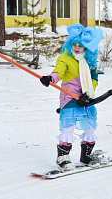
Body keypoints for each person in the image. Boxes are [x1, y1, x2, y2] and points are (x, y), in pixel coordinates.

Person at [40, 23, 103, 171]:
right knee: (68, 129)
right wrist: (50, 79)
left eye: (80, 46)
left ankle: (86, 157)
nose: (76, 48)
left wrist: (87, 94)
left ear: (86, 48)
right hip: (69, 98)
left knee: (90, 128)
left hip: (86, 99)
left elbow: (94, 79)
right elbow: (58, 72)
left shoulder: (90, 61)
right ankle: (62, 158)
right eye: (74, 44)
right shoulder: (65, 57)